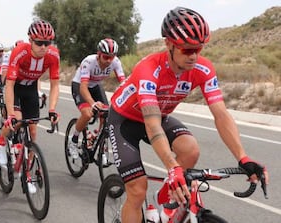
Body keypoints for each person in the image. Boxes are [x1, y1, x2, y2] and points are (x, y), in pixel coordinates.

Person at [107, 7, 269, 222]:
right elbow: (152, 124)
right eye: (187, 50)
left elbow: (220, 114)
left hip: (158, 115)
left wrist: (243, 157)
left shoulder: (203, 69)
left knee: (190, 150)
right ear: (169, 44)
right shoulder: (148, 69)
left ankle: (166, 201)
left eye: (198, 49)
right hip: (124, 121)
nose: (193, 55)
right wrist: (172, 167)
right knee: (137, 190)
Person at [0, 19, 60, 193]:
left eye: (48, 43)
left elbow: (55, 85)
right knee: (16, 121)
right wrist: (9, 114)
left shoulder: (53, 55)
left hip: (30, 88)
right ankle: (1, 142)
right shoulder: (19, 52)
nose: (44, 47)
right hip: (15, 86)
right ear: (30, 40)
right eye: (39, 43)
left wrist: (52, 109)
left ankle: (27, 172)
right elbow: (9, 85)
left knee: (32, 131)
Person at [68, 38, 125, 159]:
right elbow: (83, 88)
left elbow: (123, 85)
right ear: (98, 54)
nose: (109, 61)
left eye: (112, 57)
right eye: (106, 57)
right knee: (87, 114)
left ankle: (99, 142)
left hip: (95, 86)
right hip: (80, 85)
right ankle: (73, 140)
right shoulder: (89, 62)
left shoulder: (116, 62)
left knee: (107, 115)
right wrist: (93, 103)